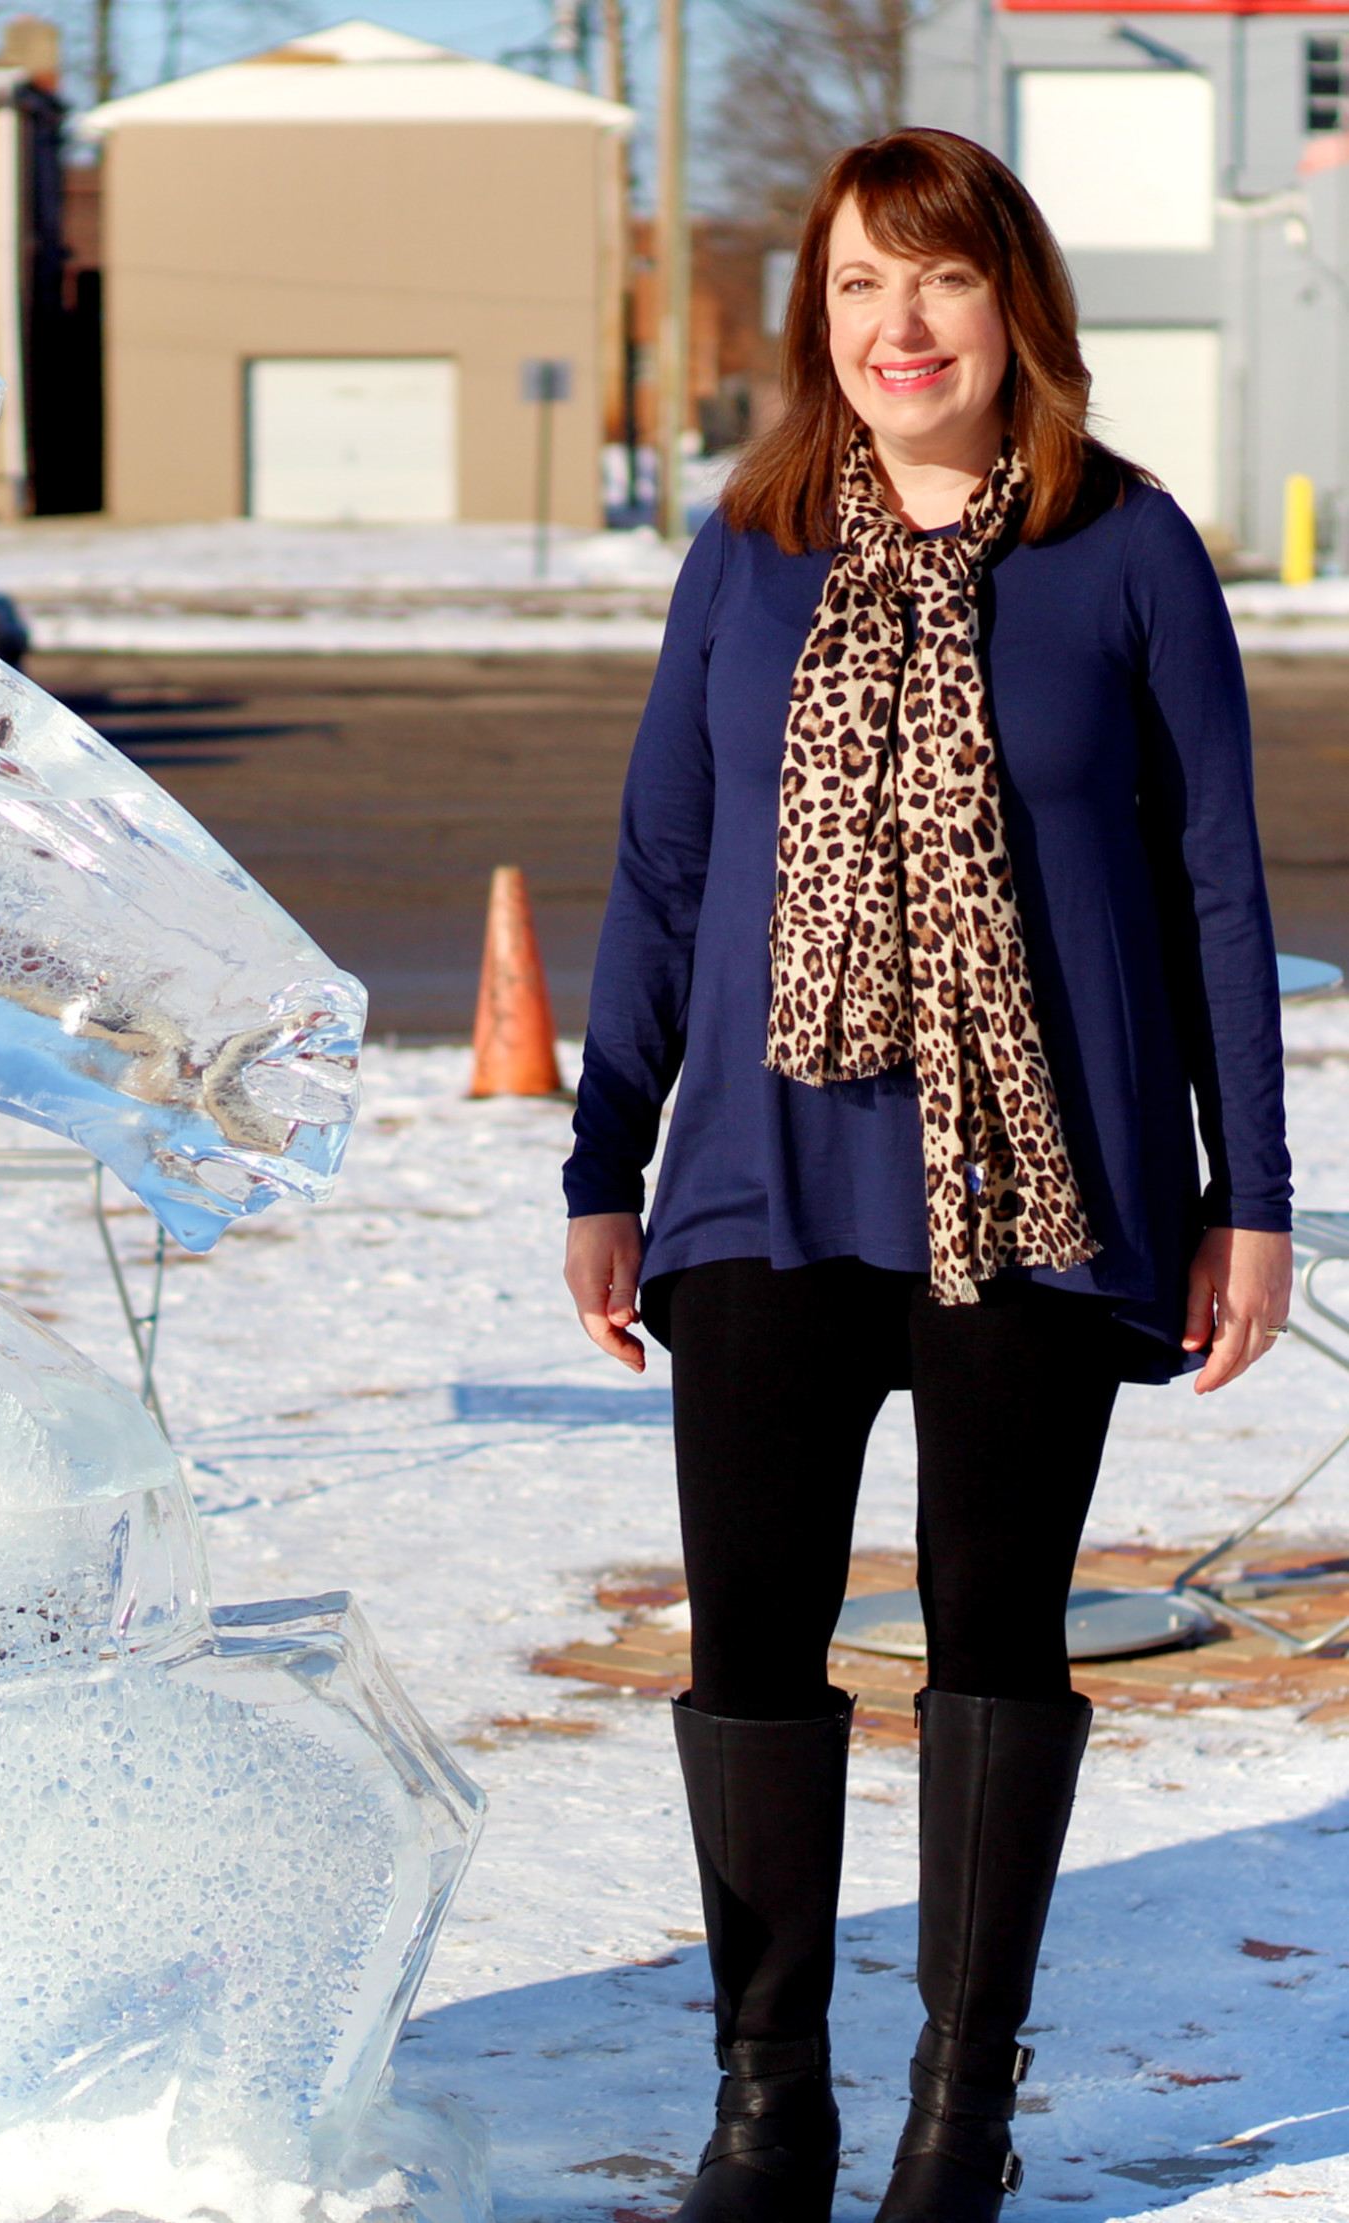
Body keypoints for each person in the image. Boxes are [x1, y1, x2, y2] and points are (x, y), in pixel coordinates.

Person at [562, 127, 1293, 2223]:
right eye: (861, 281)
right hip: (764, 1185)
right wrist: (605, 1155)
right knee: (754, 1650)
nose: (900, 323)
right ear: (818, 313)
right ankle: (764, 2104)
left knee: (994, 1637)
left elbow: (1218, 892)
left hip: (1040, 1193)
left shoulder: (1129, 548)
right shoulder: (751, 544)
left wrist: (1253, 1191)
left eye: (943, 281)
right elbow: (662, 862)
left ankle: (960, 2113)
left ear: (1016, 309)